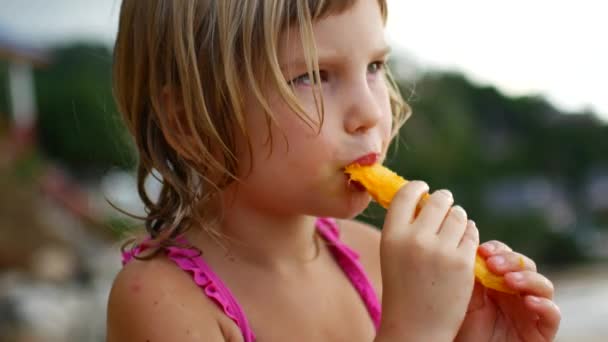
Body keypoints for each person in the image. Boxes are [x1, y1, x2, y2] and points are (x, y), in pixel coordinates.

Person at [106, 0, 561, 341]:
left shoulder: (380, 260)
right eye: (312, 75)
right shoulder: (161, 302)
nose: (369, 111)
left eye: (376, 67)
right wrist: (415, 332)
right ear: (190, 119)